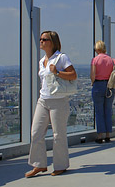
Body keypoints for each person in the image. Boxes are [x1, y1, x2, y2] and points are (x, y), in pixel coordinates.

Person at [25, 31, 77, 178]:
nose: (41, 41)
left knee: (58, 134)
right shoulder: (42, 60)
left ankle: (61, 165)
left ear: (52, 42)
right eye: (40, 39)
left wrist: (58, 72)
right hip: (43, 100)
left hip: (58, 100)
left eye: (44, 39)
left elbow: (73, 75)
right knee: (35, 132)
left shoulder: (61, 58)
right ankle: (39, 164)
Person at [91, 40, 115, 143]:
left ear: (97, 49)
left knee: (99, 111)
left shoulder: (95, 60)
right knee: (108, 110)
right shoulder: (112, 60)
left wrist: (92, 82)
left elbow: (93, 75)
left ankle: (100, 136)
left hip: (98, 85)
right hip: (110, 86)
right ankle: (108, 135)